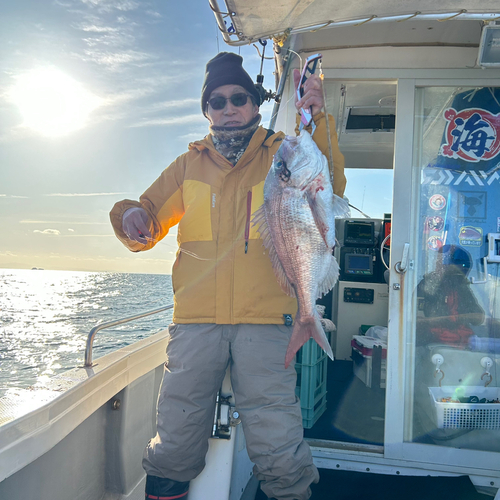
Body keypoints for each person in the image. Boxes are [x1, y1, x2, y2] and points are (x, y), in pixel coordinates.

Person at [110, 52, 346, 500]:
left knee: (277, 435)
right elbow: (147, 217)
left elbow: (329, 181)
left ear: (255, 103)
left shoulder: (282, 152)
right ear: (206, 110)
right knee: (175, 433)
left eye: (239, 97)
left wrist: (318, 116)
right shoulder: (187, 166)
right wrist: (132, 218)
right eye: (216, 101)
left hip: (268, 321)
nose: (228, 106)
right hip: (197, 321)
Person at [416, 244, 485, 348]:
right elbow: (416, 319)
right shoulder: (427, 284)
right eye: (439, 262)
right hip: (431, 343)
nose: (439, 265)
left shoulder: (461, 287)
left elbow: (479, 318)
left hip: (459, 343)